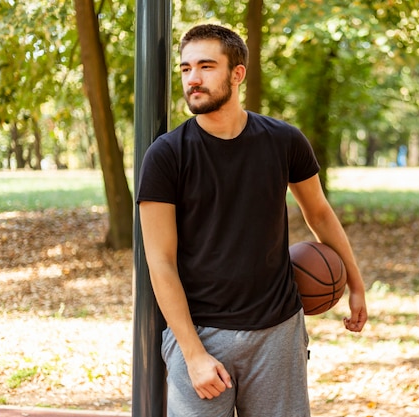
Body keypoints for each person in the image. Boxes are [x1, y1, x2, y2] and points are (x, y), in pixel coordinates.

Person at [137, 23, 368, 417]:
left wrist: (355, 283)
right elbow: (160, 261)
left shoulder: (283, 141)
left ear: (237, 73)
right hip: (200, 334)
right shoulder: (166, 156)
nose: (193, 78)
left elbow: (319, 213)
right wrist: (193, 354)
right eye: (185, 68)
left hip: (277, 331)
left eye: (206, 66)